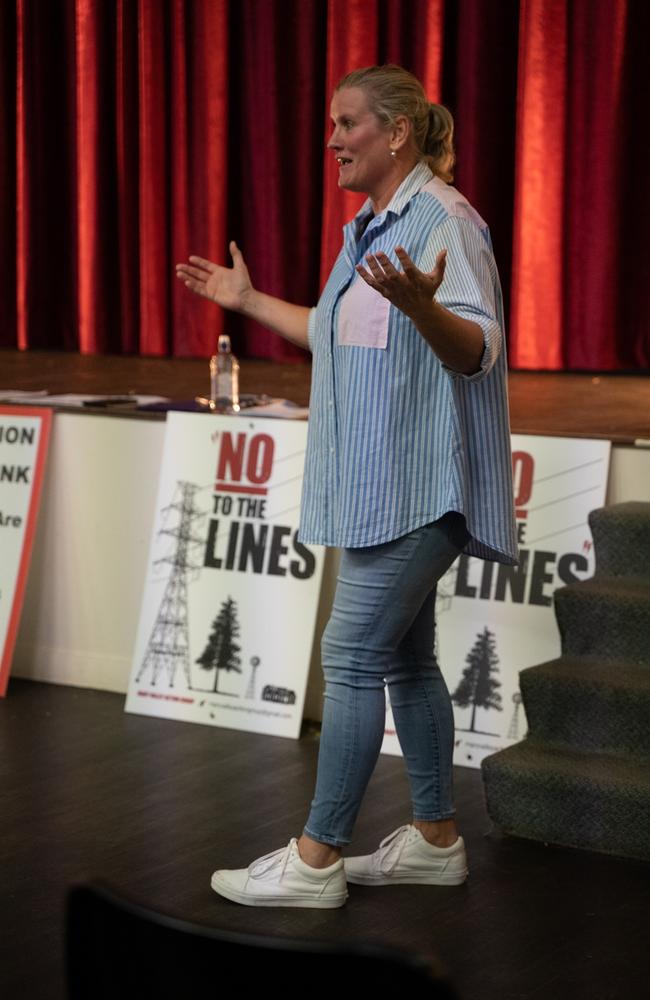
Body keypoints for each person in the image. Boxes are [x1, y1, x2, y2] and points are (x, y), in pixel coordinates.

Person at [176, 64, 518, 909]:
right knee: (403, 656)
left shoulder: (444, 220)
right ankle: (437, 838)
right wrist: (249, 299)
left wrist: (426, 310)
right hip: (376, 484)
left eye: (346, 123)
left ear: (395, 131)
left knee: (353, 654)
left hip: (422, 483)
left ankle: (317, 857)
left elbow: (477, 349)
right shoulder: (366, 228)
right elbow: (337, 335)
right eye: (330, 124)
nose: (331, 139)